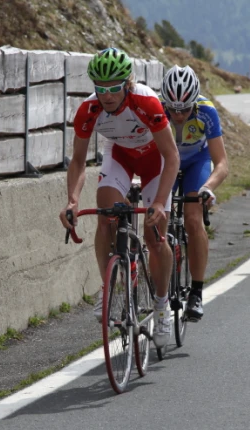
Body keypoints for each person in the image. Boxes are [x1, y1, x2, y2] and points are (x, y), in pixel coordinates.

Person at [60, 48, 180, 346]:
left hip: (156, 161)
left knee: (155, 238)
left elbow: (172, 155)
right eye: (101, 88)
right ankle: (110, 288)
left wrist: (159, 203)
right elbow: (77, 162)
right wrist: (72, 201)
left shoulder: (145, 101)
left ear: (127, 84)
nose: (107, 95)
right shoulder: (89, 109)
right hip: (121, 156)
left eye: (114, 88)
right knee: (105, 215)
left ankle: (162, 305)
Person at [159, 65, 228, 321]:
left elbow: (221, 163)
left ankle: (196, 292)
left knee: (192, 218)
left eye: (185, 109)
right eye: (173, 109)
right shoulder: (155, 109)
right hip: (165, 162)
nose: (178, 115)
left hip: (195, 163)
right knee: (158, 219)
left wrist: (207, 187)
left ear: (194, 103)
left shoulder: (206, 111)